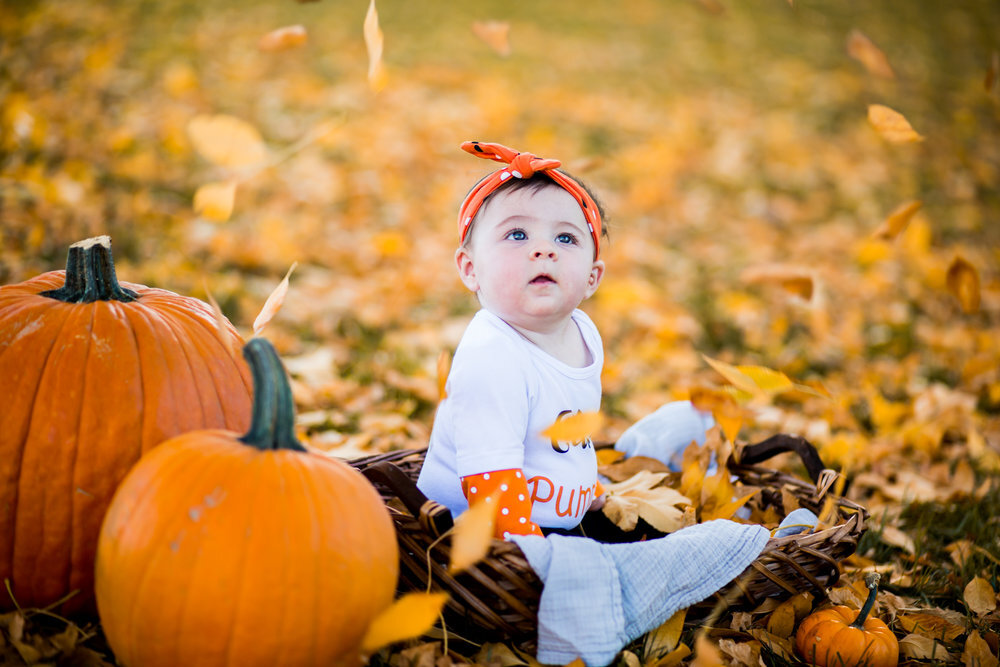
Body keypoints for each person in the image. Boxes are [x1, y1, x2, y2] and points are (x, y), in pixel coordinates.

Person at [417, 141, 714, 540]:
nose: (544, 250)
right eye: (517, 234)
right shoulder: (491, 356)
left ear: (592, 278)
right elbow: (489, 476)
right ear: (471, 270)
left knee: (688, 427)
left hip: (558, 515)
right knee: (633, 563)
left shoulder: (584, 333)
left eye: (566, 239)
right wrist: (527, 555)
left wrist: (584, 489)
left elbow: (564, 435)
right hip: (486, 531)